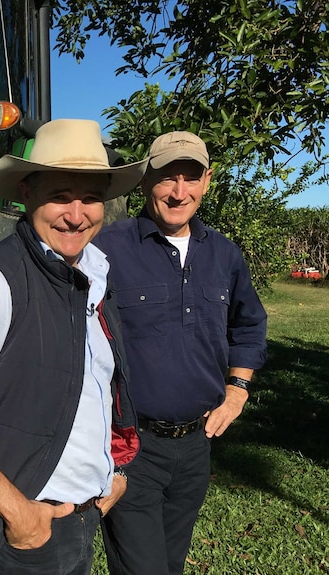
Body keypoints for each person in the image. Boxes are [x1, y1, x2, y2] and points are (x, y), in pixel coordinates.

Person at [0, 119, 143, 575]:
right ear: (26, 192)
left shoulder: (94, 275)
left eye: (91, 197)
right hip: (23, 531)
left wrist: (110, 475)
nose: (76, 214)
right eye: (60, 194)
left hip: (82, 517)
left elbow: (95, 390)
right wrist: (19, 514)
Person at [93, 131, 267, 575]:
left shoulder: (224, 254)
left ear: (207, 181)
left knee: (170, 564)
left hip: (195, 447)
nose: (179, 192)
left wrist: (238, 390)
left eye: (190, 178)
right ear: (147, 180)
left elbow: (249, 324)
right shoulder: (109, 246)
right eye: (167, 178)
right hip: (131, 447)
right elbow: (46, 250)